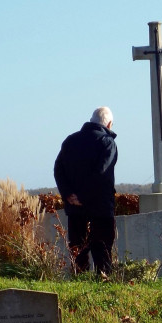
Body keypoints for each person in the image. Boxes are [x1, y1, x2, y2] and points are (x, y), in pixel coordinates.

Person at [53, 107, 118, 275]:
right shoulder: (107, 142)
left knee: (78, 251)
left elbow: (58, 169)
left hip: (75, 208)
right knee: (103, 252)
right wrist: (84, 196)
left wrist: (69, 195)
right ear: (109, 124)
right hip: (100, 207)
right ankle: (103, 285)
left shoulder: (70, 141)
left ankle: (79, 283)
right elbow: (101, 173)